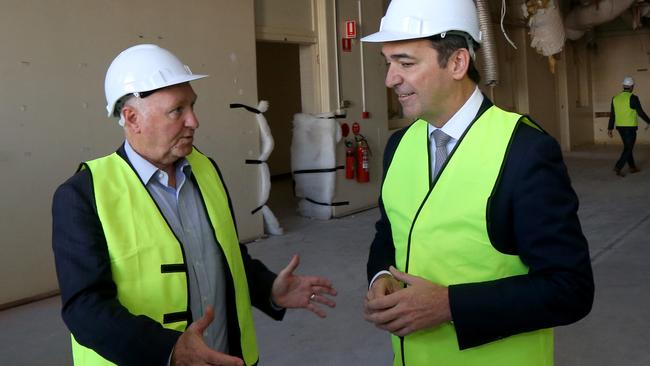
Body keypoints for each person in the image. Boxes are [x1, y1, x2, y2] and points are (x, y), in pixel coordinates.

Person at [51, 44, 337, 366]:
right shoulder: (83, 195)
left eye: (192, 106)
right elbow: (85, 309)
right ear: (133, 119)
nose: (194, 121)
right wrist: (169, 350)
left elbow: (224, 254)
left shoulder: (205, 169)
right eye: (177, 111)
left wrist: (268, 287)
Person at [360, 1, 594, 365]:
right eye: (388, 63)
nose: (390, 79)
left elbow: (570, 289)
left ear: (457, 63)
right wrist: (378, 277)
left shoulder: (523, 150)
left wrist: (449, 306)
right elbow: (388, 233)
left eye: (405, 63)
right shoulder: (398, 146)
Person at [607, 76, 650, 176]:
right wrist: (649, 121)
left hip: (620, 128)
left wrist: (610, 128)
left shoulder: (615, 98)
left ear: (623, 85)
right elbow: (640, 112)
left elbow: (612, 114)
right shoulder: (633, 98)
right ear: (631, 86)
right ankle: (618, 166)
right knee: (628, 148)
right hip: (630, 128)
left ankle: (632, 167)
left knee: (628, 147)